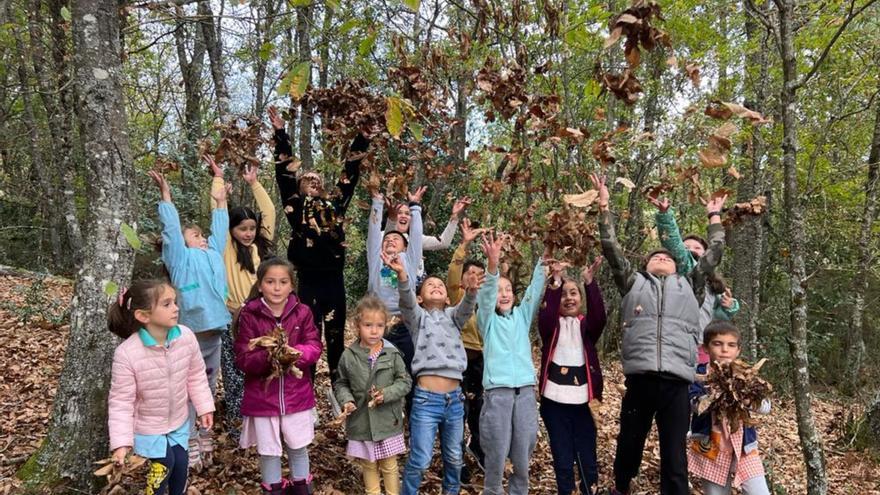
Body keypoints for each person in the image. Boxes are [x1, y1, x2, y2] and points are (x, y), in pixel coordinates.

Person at [592, 173, 727, 495]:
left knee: (674, 459)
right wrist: (604, 206)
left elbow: (716, 251)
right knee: (628, 447)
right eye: (656, 257)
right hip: (640, 381)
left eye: (667, 256)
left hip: (678, 385)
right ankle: (621, 487)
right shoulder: (632, 282)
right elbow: (610, 247)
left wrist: (714, 216)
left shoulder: (690, 284)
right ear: (647, 266)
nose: (662, 257)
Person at [271, 106, 370, 384]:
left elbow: (350, 173)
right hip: (307, 281)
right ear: (300, 187)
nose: (313, 183)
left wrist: (362, 138)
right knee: (308, 336)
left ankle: (339, 391)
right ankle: (307, 392)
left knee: (337, 336)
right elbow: (283, 174)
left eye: (317, 181)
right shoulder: (294, 206)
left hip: (333, 280)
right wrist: (281, 133)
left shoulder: (335, 206)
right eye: (307, 180)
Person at [382, 245, 481, 495]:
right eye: (430, 285)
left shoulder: (454, 318)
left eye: (440, 285)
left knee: (454, 458)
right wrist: (403, 276)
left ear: (448, 297)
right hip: (426, 400)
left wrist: (470, 291)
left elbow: (467, 307)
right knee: (420, 459)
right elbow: (406, 302)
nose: (436, 286)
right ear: (420, 298)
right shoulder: (417, 319)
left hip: (455, 401)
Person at [149, 168, 230, 470]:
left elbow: (220, 231)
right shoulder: (180, 259)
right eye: (195, 235)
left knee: (207, 386)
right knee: (185, 389)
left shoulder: (213, 254)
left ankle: (204, 432)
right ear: (184, 244)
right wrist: (166, 197)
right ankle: (190, 437)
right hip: (188, 334)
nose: (204, 237)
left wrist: (220, 203)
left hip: (213, 333)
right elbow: (171, 232)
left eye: (202, 234)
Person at [107, 280, 214, 495]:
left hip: (178, 421)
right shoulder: (127, 353)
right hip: (148, 426)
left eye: (174, 302)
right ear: (143, 316)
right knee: (165, 464)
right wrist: (121, 443)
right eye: (166, 304)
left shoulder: (185, 337)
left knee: (181, 465)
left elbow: (195, 376)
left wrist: (204, 407)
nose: (176, 308)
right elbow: (121, 402)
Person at [233, 258, 322, 495]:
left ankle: (302, 488)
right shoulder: (250, 315)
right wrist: (269, 358)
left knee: (298, 447)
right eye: (270, 281)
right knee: (269, 451)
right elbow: (242, 357)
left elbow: (314, 345)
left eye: (283, 282)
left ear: (291, 285)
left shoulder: (302, 312)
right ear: (260, 285)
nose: (276, 287)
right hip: (262, 400)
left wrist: (294, 355)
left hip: (297, 397)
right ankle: (272, 489)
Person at [208, 155, 277, 438]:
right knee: (235, 371)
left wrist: (255, 183)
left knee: (264, 366)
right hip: (231, 316)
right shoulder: (225, 247)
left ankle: (265, 419)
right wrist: (218, 179)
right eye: (242, 229)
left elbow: (269, 213)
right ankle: (240, 427)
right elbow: (217, 210)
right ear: (231, 230)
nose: (247, 234)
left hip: (261, 315)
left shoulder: (261, 244)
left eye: (251, 228)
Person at [476, 232, 547, 495]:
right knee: (496, 452)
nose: (503, 294)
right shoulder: (488, 323)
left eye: (507, 290)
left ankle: (519, 491)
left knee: (523, 451)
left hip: (526, 394)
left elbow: (534, 292)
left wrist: (543, 262)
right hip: (498, 395)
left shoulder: (521, 316)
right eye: (498, 291)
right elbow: (484, 300)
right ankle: (492, 490)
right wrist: (492, 267)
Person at [537, 256, 607, 495]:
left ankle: (590, 490)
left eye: (574, 293)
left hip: (584, 403)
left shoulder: (586, 327)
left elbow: (600, 317)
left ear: (581, 299)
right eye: (565, 294)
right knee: (562, 456)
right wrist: (555, 281)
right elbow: (545, 317)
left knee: (586, 456)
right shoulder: (552, 327)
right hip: (554, 402)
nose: (569, 298)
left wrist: (589, 282)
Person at [334, 295, 412, 495]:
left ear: (386, 326)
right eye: (368, 325)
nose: (374, 330)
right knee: (369, 465)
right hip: (362, 421)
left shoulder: (392, 353)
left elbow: (405, 382)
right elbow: (341, 383)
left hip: (387, 421)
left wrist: (386, 394)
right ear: (357, 325)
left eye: (379, 325)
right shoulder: (349, 356)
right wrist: (347, 401)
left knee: (389, 465)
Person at [688, 321, 772, 495]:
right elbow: (693, 404)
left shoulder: (745, 375)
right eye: (717, 344)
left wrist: (747, 400)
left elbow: (765, 407)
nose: (724, 350)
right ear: (705, 348)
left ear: (738, 350)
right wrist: (713, 396)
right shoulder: (698, 375)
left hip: (744, 447)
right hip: (710, 447)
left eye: (731, 345)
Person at [366, 187, 425, 399]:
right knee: (379, 374)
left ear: (405, 247)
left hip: (405, 324)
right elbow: (374, 233)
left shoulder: (409, 260)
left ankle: (412, 416)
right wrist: (377, 203)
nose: (390, 240)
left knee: (409, 370)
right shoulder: (376, 260)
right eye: (387, 239)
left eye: (396, 239)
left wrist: (415, 207)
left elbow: (416, 237)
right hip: (378, 325)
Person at [445, 219, 488, 476]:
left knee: (480, 410)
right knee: (458, 411)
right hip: (458, 361)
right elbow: (453, 271)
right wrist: (464, 244)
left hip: (482, 363)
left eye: (479, 276)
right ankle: (456, 457)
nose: (474, 278)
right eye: (470, 274)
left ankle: (479, 450)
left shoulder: (489, 301)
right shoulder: (458, 298)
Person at [385, 196, 470, 279]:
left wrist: (454, 216)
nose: (403, 216)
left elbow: (443, 242)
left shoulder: (416, 240)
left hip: (413, 288)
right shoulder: (382, 236)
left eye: (407, 213)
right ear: (393, 214)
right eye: (399, 213)